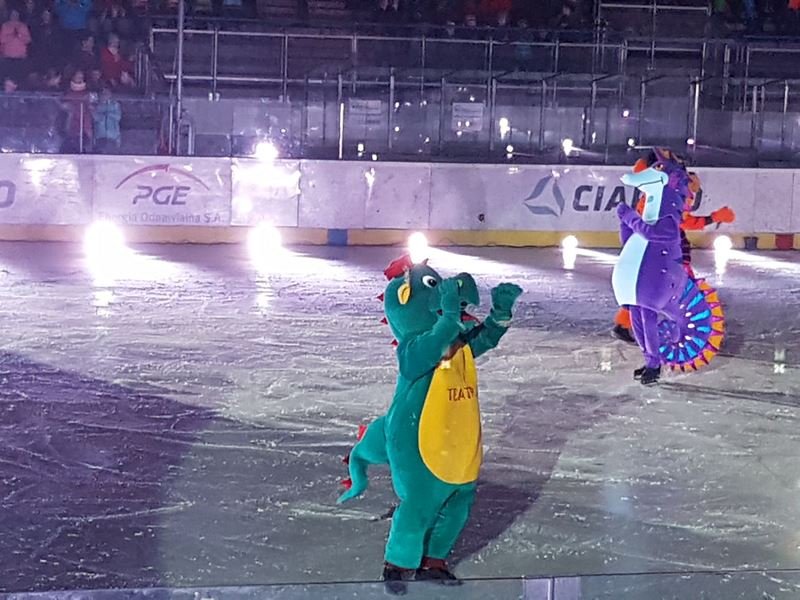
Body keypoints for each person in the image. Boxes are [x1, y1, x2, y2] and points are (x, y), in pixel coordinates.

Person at [612, 160, 735, 344]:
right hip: (662, 251)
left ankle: (627, 323)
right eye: (692, 187)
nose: (692, 194)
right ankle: (697, 326)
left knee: (652, 289)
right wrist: (714, 217)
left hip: (661, 249)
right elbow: (683, 222)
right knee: (681, 288)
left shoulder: (665, 194)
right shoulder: (669, 196)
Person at [93, 85, 121, 152]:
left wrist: (107, 114)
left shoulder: (115, 105)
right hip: (100, 135)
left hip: (113, 136)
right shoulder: (97, 105)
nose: (105, 95)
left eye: (107, 93)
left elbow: (118, 117)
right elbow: (96, 118)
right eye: (103, 93)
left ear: (110, 94)